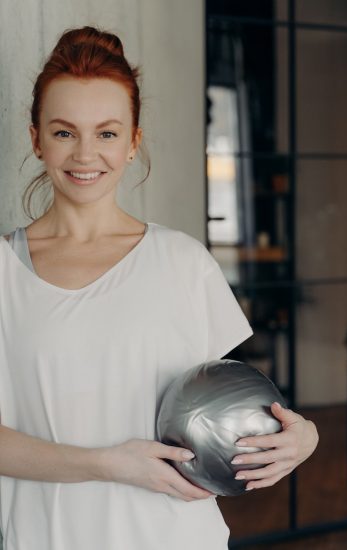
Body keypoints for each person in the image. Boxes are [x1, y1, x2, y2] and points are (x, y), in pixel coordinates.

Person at [0, 26, 318, 550]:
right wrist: (106, 465)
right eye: (64, 132)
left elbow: (237, 401)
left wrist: (302, 436)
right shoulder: (6, 272)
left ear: (133, 142)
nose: (85, 154)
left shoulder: (182, 262)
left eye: (106, 133)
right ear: (36, 138)